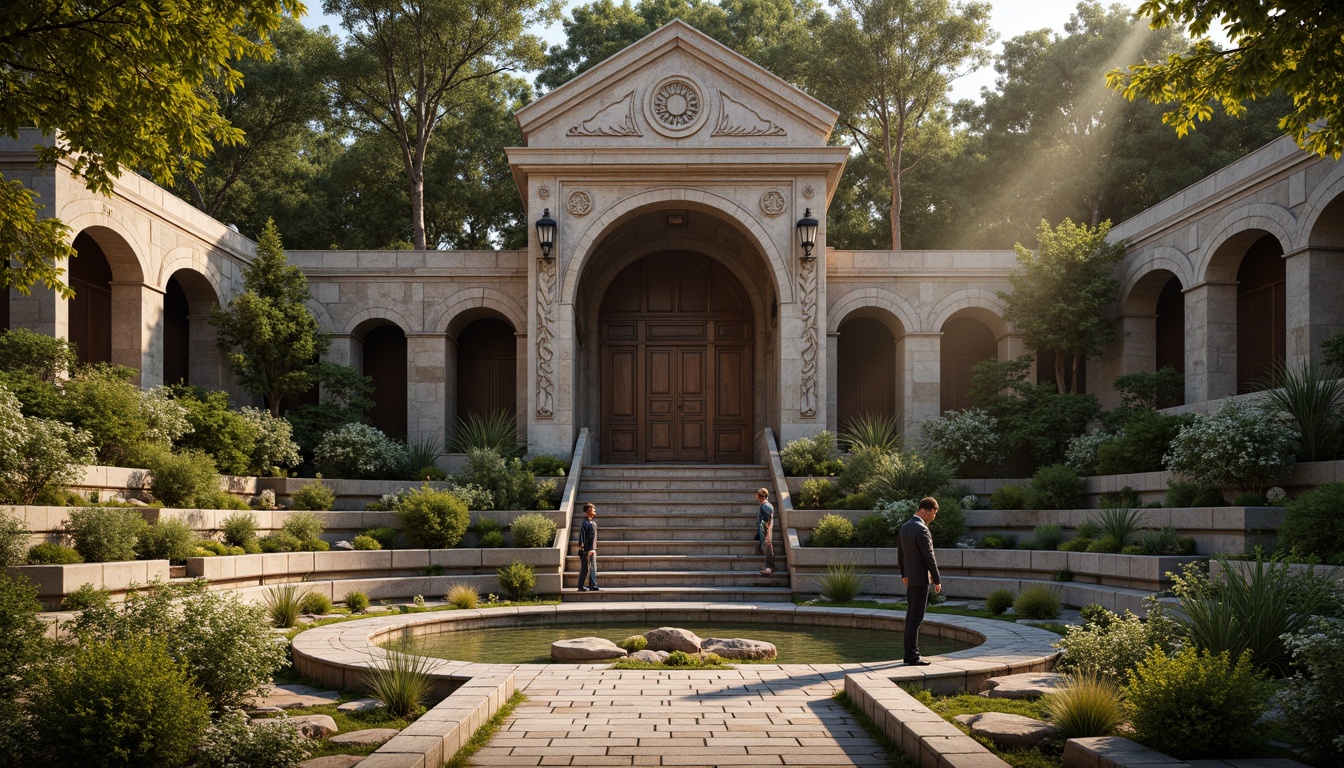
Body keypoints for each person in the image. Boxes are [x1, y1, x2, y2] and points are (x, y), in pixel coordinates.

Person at [897, 496, 941, 665]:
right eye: (934, 512)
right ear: (927, 510)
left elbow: (900, 554)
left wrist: (904, 574)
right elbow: (929, 556)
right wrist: (937, 579)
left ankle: (909, 654)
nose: (934, 516)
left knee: (911, 616)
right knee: (916, 617)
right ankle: (913, 656)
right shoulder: (921, 529)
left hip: (911, 577)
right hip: (921, 579)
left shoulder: (905, 527)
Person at [577, 502, 599, 591]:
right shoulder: (586, 523)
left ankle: (591, 585)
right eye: (593, 509)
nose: (595, 510)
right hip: (587, 550)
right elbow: (582, 537)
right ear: (589, 511)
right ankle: (583, 586)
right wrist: (585, 550)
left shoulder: (592, 522)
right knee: (586, 569)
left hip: (592, 549)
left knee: (591, 568)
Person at [755, 488, 775, 575]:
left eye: (758, 495)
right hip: (764, 529)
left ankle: (769, 567)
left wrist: (768, 531)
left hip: (766, 530)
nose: (756, 496)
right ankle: (769, 566)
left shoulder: (765, 505)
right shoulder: (764, 504)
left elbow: (770, 517)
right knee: (767, 547)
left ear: (762, 496)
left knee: (767, 547)